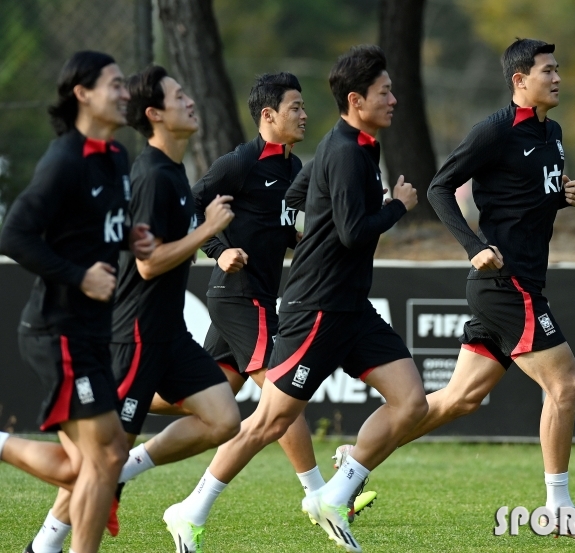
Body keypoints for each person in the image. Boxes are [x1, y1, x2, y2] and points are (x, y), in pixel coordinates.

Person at [338, 38, 575, 542]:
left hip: (515, 283)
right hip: (505, 284)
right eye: (547, 70)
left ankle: (352, 466)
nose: (557, 77)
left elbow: (528, 200)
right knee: (565, 385)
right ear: (519, 81)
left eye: (558, 69)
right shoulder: (494, 130)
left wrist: (563, 196)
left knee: (457, 400)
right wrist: (473, 246)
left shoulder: (552, 133)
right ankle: (558, 507)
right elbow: (440, 186)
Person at [163, 45, 427, 553]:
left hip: (352, 305)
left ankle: (334, 496)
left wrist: (303, 231)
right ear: (356, 99)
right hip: (318, 309)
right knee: (269, 420)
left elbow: (295, 200)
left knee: (411, 401)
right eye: (385, 92)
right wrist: (397, 205)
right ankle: (189, 510)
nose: (394, 99)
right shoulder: (346, 150)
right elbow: (353, 232)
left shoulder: (355, 146)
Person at [22, 64, 244, 553]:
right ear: (155, 114)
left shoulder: (173, 172)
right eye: (179, 96)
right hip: (135, 337)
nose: (191, 102)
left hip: (169, 335)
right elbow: (146, 267)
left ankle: (128, 468)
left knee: (225, 420)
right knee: (96, 461)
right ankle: (45, 545)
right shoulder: (150, 175)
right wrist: (207, 233)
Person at [0, 51, 154, 553]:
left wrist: (130, 237)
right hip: (57, 330)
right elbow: (15, 234)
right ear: (82, 93)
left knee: (88, 463)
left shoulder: (116, 157)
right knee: (104, 461)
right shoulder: (63, 159)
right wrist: (78, 276)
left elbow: (95, 224)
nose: (124, 92)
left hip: (90, 330)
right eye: (114, 84)